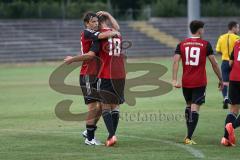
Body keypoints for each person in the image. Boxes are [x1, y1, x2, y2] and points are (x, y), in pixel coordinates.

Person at [64, 12, 119, 145]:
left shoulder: (95, 35)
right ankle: (89, 139)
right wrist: (72, 59)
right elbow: (89, 56)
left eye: (96, 21)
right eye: (93, 22)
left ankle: (88, 130)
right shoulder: (87, 33)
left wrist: (112, 27)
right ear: (87, 23)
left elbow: (109, 31)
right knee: (93, 108)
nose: (95, 24)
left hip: (98, 74)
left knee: (101, 107)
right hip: (88, 74)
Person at [172, 20, 223, 145]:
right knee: (195, 108)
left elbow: (175, 62)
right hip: (199, 82)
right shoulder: (205, 44)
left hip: (186, 81)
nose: (203, 31)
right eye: (203, 29)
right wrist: (221, 79)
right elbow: (214, 64)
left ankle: (188, 132)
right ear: (199, 30)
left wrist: (174, 79)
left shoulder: (181, 44)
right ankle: (188, 137)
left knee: (189, 105)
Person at [96, 11, 125, 147]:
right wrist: (108, 14)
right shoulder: (116, 32)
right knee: (115, 106)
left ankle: (111, 135)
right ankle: (112, 135)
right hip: (120, 73)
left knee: (105, 106)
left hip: (107, 73)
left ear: (98, 22)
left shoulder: (100, 35)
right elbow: (117, 27)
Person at [216, 21, 239, 109]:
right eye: (237, 27)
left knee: (225, 81)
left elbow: (218, 50)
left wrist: (224, 53)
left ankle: (225, 97)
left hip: (225, 61)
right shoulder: (237, 38)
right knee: (235, 81)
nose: (238, 29)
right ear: (233, 28)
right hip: (235, 62)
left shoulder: (221, 37)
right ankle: (233, 99)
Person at [221, 40, 240, 147]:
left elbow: (230, 63)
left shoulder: (237, 43)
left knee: (233, 110)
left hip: (234, 79)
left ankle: (226, 138)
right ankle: (232, 126)